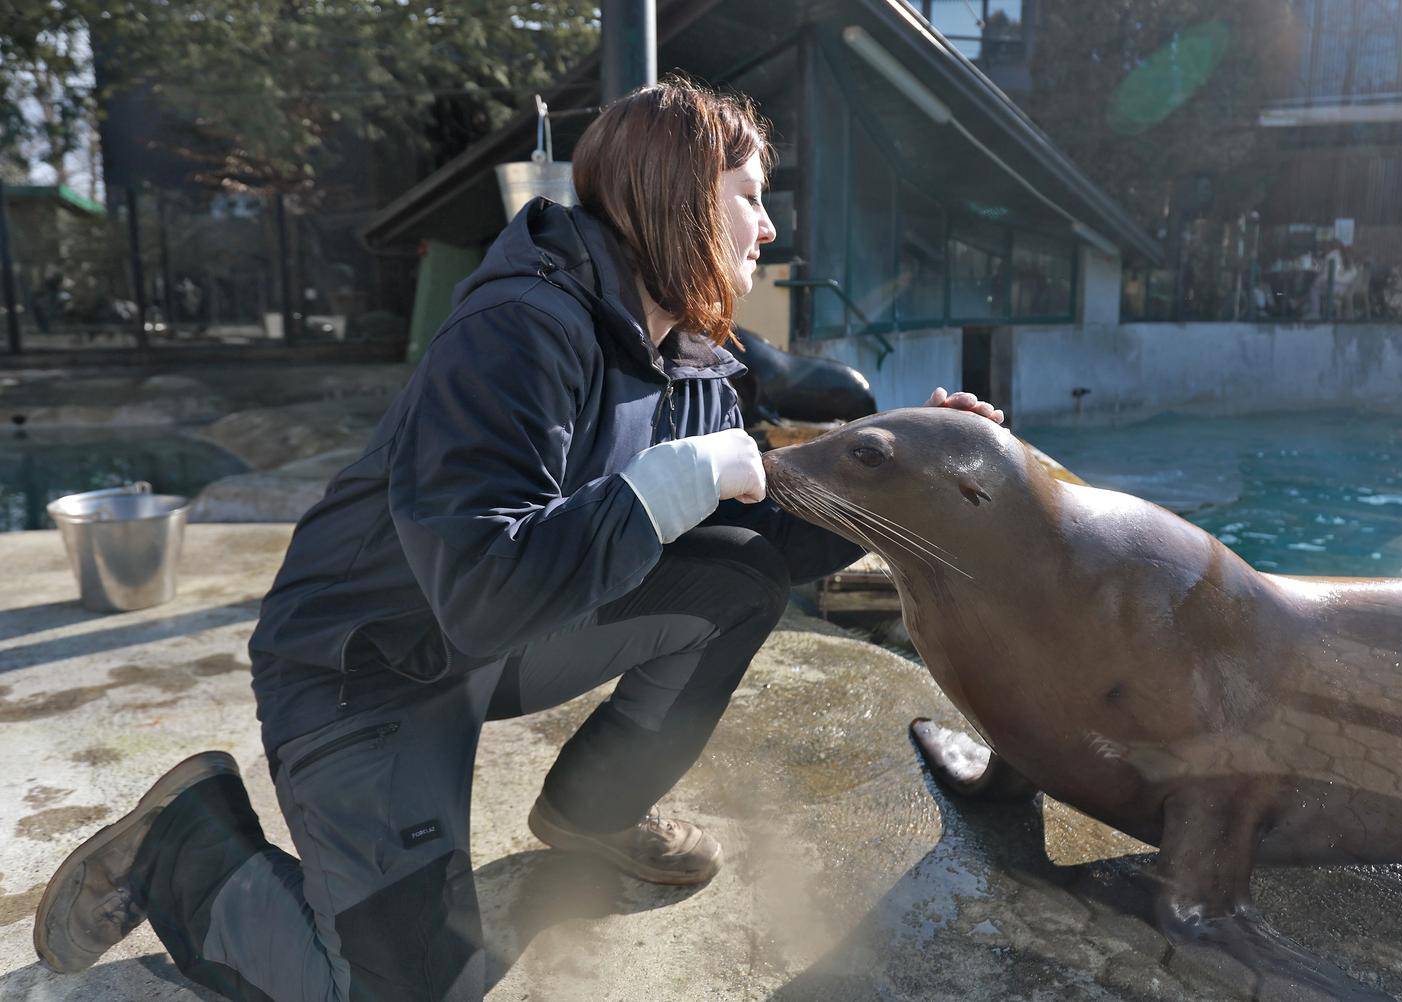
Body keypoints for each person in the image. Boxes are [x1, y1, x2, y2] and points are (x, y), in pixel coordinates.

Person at [33, 77, 1004, 1001]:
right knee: (396, 988)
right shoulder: (521, 328)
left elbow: (769, 545)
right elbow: (486, 588)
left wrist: (919, 487)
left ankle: (594, 811)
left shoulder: (692, 354)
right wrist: (684, 477)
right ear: (679, 201)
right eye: (749, 196)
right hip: (367, 665)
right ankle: (182, 845)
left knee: (740, 577)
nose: (770, 224)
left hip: (491, 638)